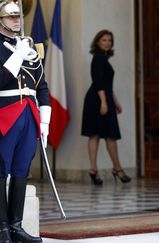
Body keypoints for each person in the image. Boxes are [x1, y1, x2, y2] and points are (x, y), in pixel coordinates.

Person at [0, 1, 48, 242]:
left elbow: (42, 86)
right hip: (5, 115)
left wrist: (45, 123)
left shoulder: (28, 46)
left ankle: (16, 226)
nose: (16, 20)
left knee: (21, 170)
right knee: (0, 171)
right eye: (10, 17)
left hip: (29, 115)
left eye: (18, 16)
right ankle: (2, 229)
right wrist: (17, 55)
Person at [81, 30, 131, 185]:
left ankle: (95, 170)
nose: (107, 42)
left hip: (102, 98)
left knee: (100, 134)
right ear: (97, 42)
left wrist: (114, 102)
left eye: (109, 40)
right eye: (104, 40)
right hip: (98, 99)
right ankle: (115, 168)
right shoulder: (98, 58)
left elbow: (107, 84)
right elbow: (98, 82)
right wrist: (104, 102)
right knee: (106, 135)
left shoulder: (102, 59)